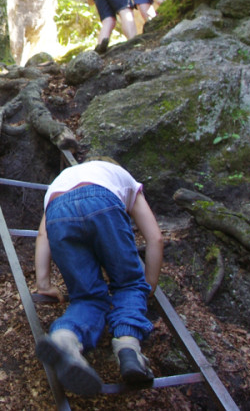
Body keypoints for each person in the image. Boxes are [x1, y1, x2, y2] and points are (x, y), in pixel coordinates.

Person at [33, 159, 163, 396]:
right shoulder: (122, 177)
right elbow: (155, 238)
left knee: (87, 298)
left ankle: (65, 339)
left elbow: (43, 234)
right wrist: (147, 286)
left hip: (58, 211)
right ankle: (128, 346)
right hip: (103, 203)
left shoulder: (61, 180)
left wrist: (44, 283)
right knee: (129, 285)